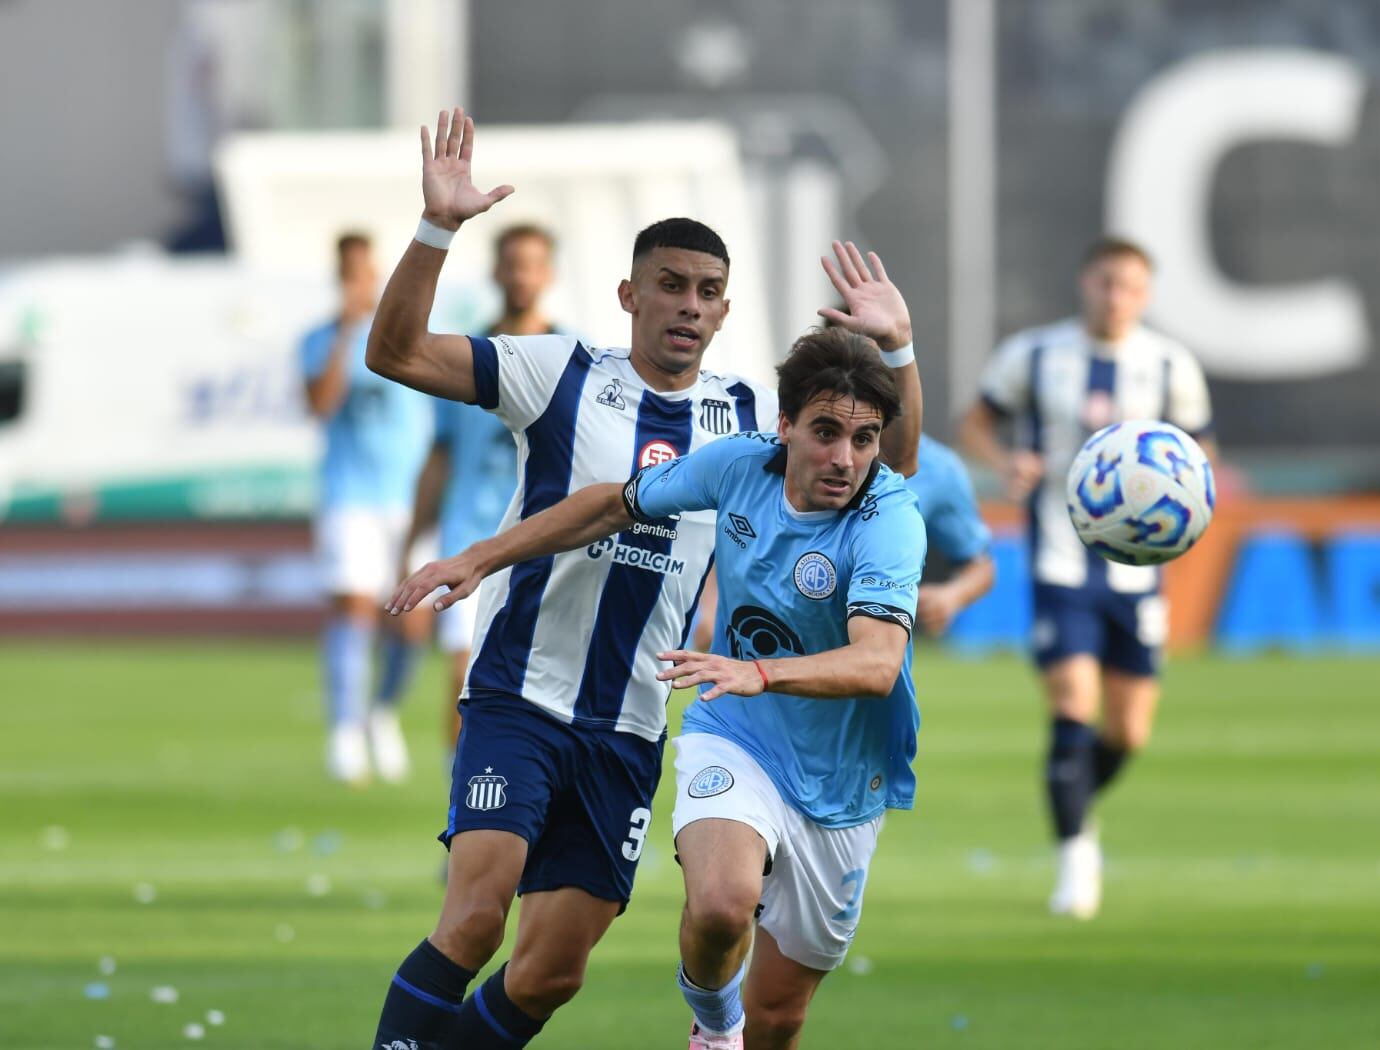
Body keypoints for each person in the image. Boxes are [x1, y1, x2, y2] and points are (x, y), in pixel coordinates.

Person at [366, 108, 921, 1050]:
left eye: (708, 290)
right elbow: (397, 353)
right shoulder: (560, 370)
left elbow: (885, 477)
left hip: (628, 722)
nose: (689, 305)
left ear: (726, 309)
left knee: (551, 972)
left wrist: (897, 353)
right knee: (472, 920)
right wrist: (437, 230)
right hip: (520, 691)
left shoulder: (750, 423)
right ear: (630, 294)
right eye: (670, 285)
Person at [959, 235, 1216, 919]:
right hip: (1060, 563)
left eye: (1130, 286)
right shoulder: (1037, 355)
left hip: (1137, 575)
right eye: (1106, 282)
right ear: (1085, 282)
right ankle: (1076, 862)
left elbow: (1200, 450)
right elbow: (977, 421)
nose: (1116, 297)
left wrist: (1181, 499)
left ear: (1147, 294)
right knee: (1073, 705)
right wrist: (1005, 463)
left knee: (1129, 733)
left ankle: (1076, 804)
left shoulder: (1169, 364)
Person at [402, 224, 564, 761]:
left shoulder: (576, 359)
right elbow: (441, 454)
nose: (521, 274)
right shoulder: (465, 357)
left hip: (546, 544)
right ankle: (460, 811)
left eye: (532, 263)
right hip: (469, 534)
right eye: (512, 262)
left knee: (541, 689)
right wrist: (412, 538)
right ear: (496, 270)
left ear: (549, 274)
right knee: (464, 677)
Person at [299, 232, 435, 786]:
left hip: (410, 498)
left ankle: (382, 710)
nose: (360, 282)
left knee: (412, 626)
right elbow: (320, 403)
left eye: (367, 272)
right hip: (349, 495)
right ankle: (345, 730)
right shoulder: (320, 338)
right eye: (350, 272)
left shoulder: (408, 334)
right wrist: (347, 332)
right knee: (353, 608)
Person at [904, 434, 995, 638]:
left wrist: (950, 596)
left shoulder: (938, 467)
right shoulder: (826, 450)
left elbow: (981, 565)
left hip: (878, 648)